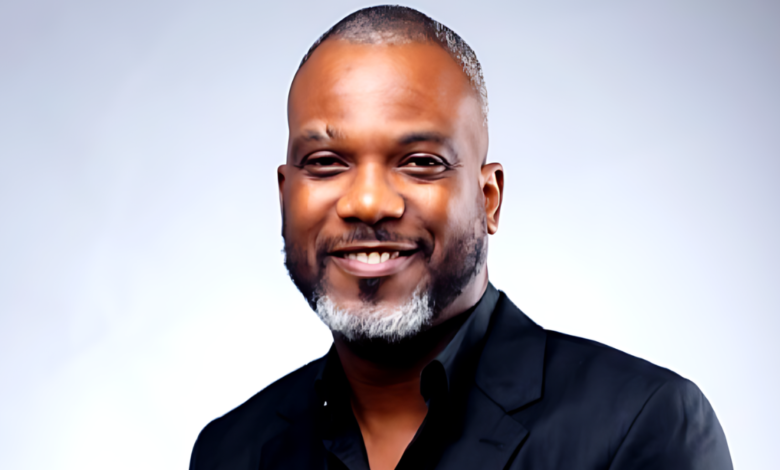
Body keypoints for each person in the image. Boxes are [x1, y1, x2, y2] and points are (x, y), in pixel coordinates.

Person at [189, 5, 732, 470]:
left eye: (420, 162)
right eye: (326, 162)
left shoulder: (640, 424)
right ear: (285, 195)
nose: (367, 202)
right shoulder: (229, 451)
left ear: (488, 199)